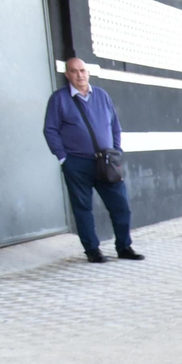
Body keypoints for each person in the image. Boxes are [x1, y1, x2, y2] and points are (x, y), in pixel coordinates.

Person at [43, 57, 142, 263]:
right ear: (67, 74)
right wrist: (63, 158)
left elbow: (115, 125)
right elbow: (50, 130)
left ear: (87, 72)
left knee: (120, 205)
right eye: (74, 71)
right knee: (83, 209)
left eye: (82, 70)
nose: (79, 75)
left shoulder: (102, 96)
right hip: (77, 163)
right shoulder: (59, 99)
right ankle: (92, 251)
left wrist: (117, 151)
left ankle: (124, 247)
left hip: (107, 162)